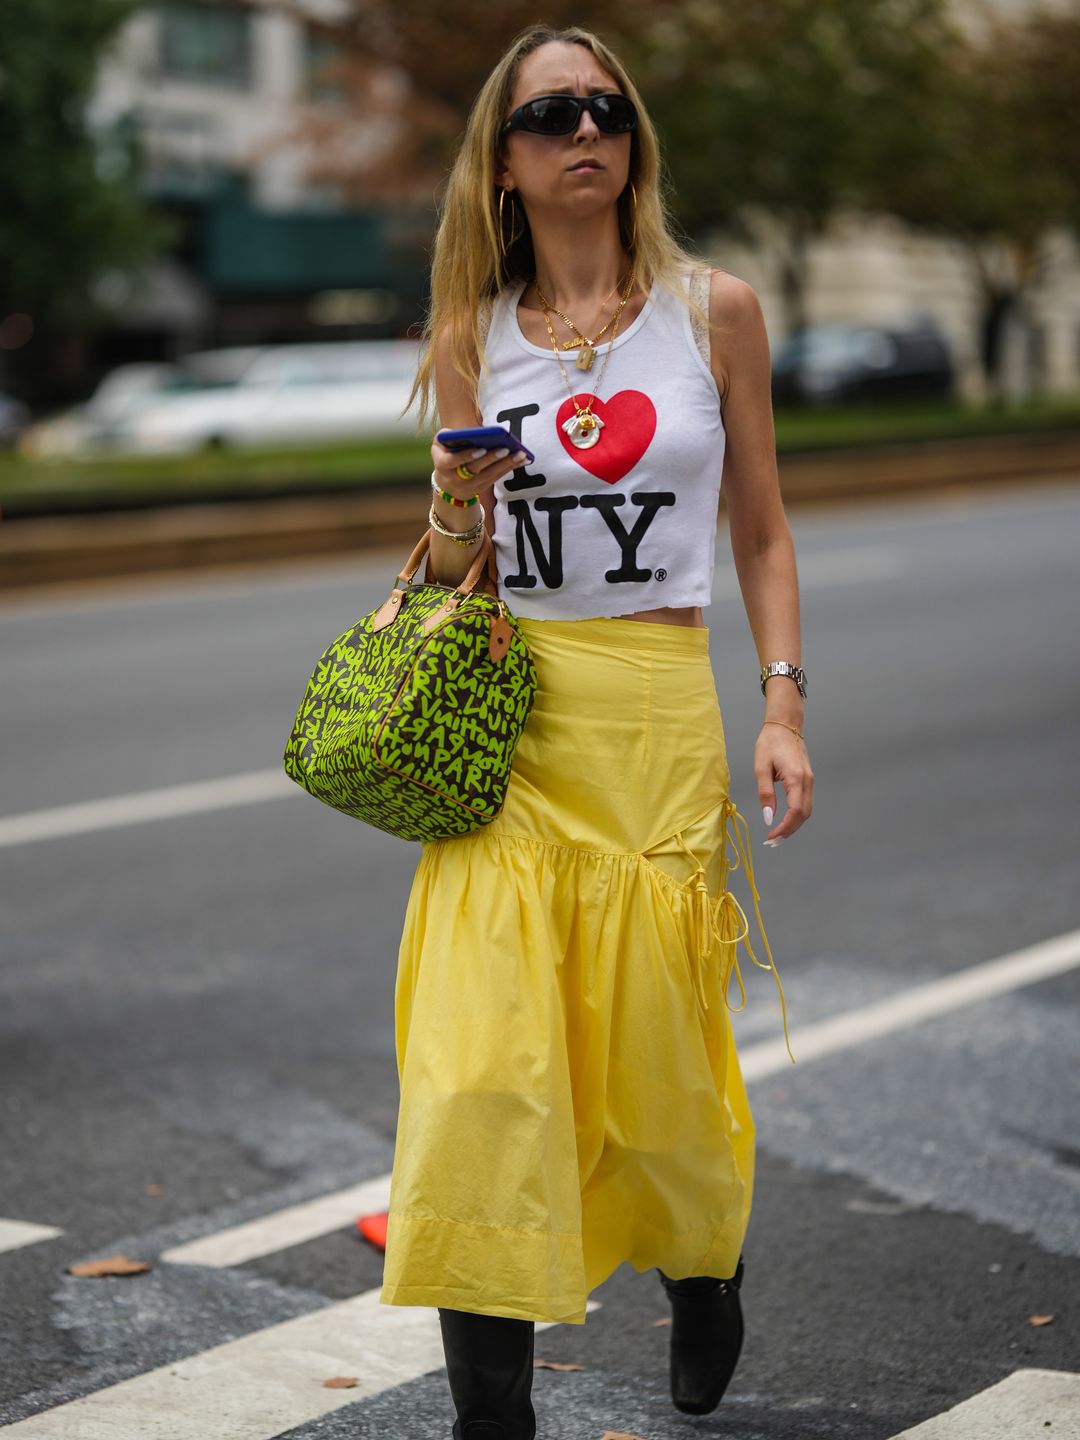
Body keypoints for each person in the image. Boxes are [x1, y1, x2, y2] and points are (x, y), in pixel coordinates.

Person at [381, 23, 814, 1440]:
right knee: (481, 1068)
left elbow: (757, 527)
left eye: (607, 109)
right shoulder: (469, 336)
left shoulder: (716, 311)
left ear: (633, 141)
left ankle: (704, 1271)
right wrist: (459, 502)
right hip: (518, 730)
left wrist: (783, 702)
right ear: (502, 164)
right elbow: (453, 571)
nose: (586, 132)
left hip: (658, 722)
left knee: (659, 1068)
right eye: (552, 114)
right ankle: (489, 1416)